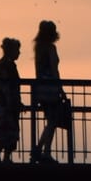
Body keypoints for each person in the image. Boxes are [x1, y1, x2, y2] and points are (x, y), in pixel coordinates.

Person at [30, 18, 68, 164]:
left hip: (40, 88)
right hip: (50, 88)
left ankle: (40, 149)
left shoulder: (39, 48)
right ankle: (44, 151)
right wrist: (60, 88)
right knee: (53, 120)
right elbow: (54, 69)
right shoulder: (51, 48)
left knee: (51, 120)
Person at [0, 37, 25, 163]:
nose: (19, 53)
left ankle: (1, 154)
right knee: (9, 131)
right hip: (6, 104)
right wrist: (11, 101)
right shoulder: (6, 65)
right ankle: (1, 155)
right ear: (11, 50)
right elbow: (6, 85)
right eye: (17, 50)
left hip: (5, 103)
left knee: (6, 130)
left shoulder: (5, 64)